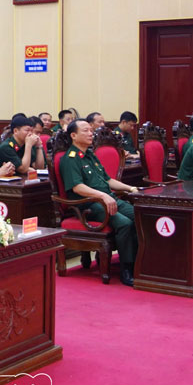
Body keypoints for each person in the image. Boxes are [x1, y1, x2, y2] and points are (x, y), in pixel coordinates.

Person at [59, 120, 140, 286]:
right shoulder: (70, 159)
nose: (91, 134)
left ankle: (140, 263)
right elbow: (77, 187)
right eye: (85, 131)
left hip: (108, 198)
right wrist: (103, 196)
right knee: (124, 223)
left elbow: (108, 180)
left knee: (139, 216)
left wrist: (131, 188)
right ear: (73, 135)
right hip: (89, 204)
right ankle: (126, 269)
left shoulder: (90, 155)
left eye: (91, 130)